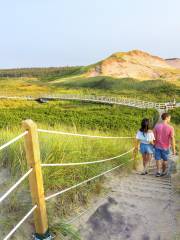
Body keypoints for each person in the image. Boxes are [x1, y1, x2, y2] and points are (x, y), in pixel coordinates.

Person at [153, 112, 176, 177]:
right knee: (165, 160)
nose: (170, 119)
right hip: (166, 147)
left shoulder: (156, 126)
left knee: (158, 159)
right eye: (169, 118)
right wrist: (174, 149)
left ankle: (158, 172)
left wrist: (154, 144)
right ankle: (163, 172)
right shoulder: (171, 128)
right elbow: (172, 139)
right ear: (166, 118)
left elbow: (153, 137)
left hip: (157, 146)